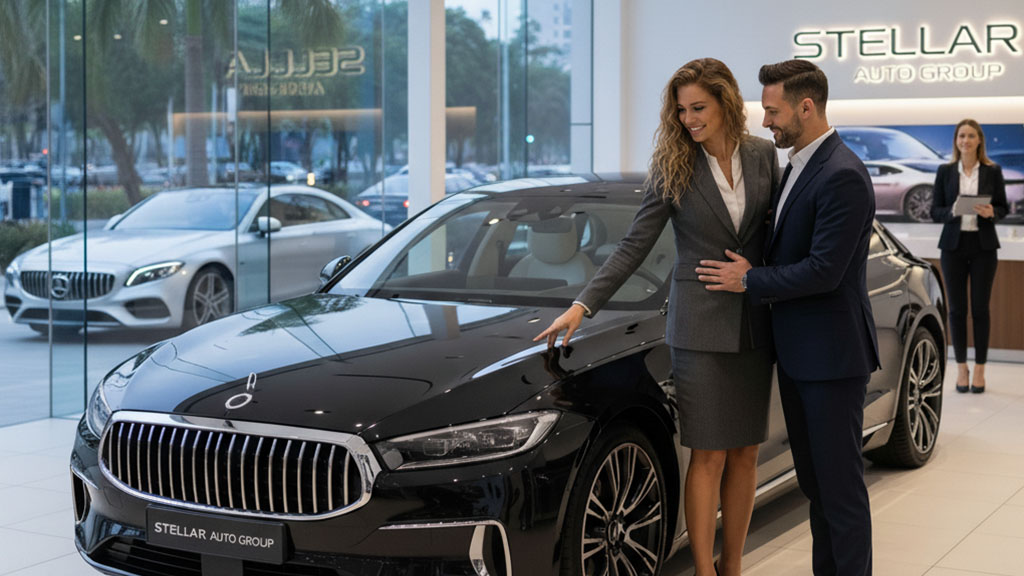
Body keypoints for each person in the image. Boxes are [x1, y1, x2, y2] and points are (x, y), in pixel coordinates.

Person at [535, 58, 777, 576]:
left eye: (699, 108)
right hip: (698, 326)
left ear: (726, 102)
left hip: (755, 324)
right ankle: (705, 571)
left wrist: (764, 272)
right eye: (682, 110)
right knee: (708, 453)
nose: (689, 119)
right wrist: (582, 305)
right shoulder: (674, 167)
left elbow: (777, 233)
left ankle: (733, 564)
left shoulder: (762, 156)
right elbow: (632, 247)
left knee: (746, 453)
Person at [696, 59, 879, 576]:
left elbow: (823, 270)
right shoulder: (799, 164)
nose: (765, 122)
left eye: (773, 112)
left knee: (840, 495)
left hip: (831, 360)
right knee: (817, 490)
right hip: (801, 358)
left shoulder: (842, 174)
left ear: (806, 106)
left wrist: (748, 280)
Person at [931, 119, 1008, 394]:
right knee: (956, 311)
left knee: (980, 309)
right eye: (961, 135)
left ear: (979, 141)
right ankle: (961, 368)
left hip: (983, 247)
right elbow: (934, 211)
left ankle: (980, 370)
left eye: (971, 136)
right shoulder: (945, 171)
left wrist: (992, 213)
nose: (966, 140)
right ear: (956, 140)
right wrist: (953, 210)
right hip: (953, 247)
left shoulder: (992, 171)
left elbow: (1002, 207)